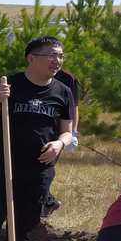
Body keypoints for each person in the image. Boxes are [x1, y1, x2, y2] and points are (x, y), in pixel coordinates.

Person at [0, 36, 75, 241]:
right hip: (3, 167)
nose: (57, 60)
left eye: (60, 56)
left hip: (39, 171)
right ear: (31, 58)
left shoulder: (63, 92)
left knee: (23, 232)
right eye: (51, 55)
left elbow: (67, 132)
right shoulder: (7, 86)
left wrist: (59, 144)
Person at [44, 66, 82, 216]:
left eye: (60, 55)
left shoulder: (68, 78)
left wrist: (73, 132)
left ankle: (46, 203)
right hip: (35, 128)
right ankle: (47, 202)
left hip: (58, 131)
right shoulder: (28, 75)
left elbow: (74, 107)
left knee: (46, 168)